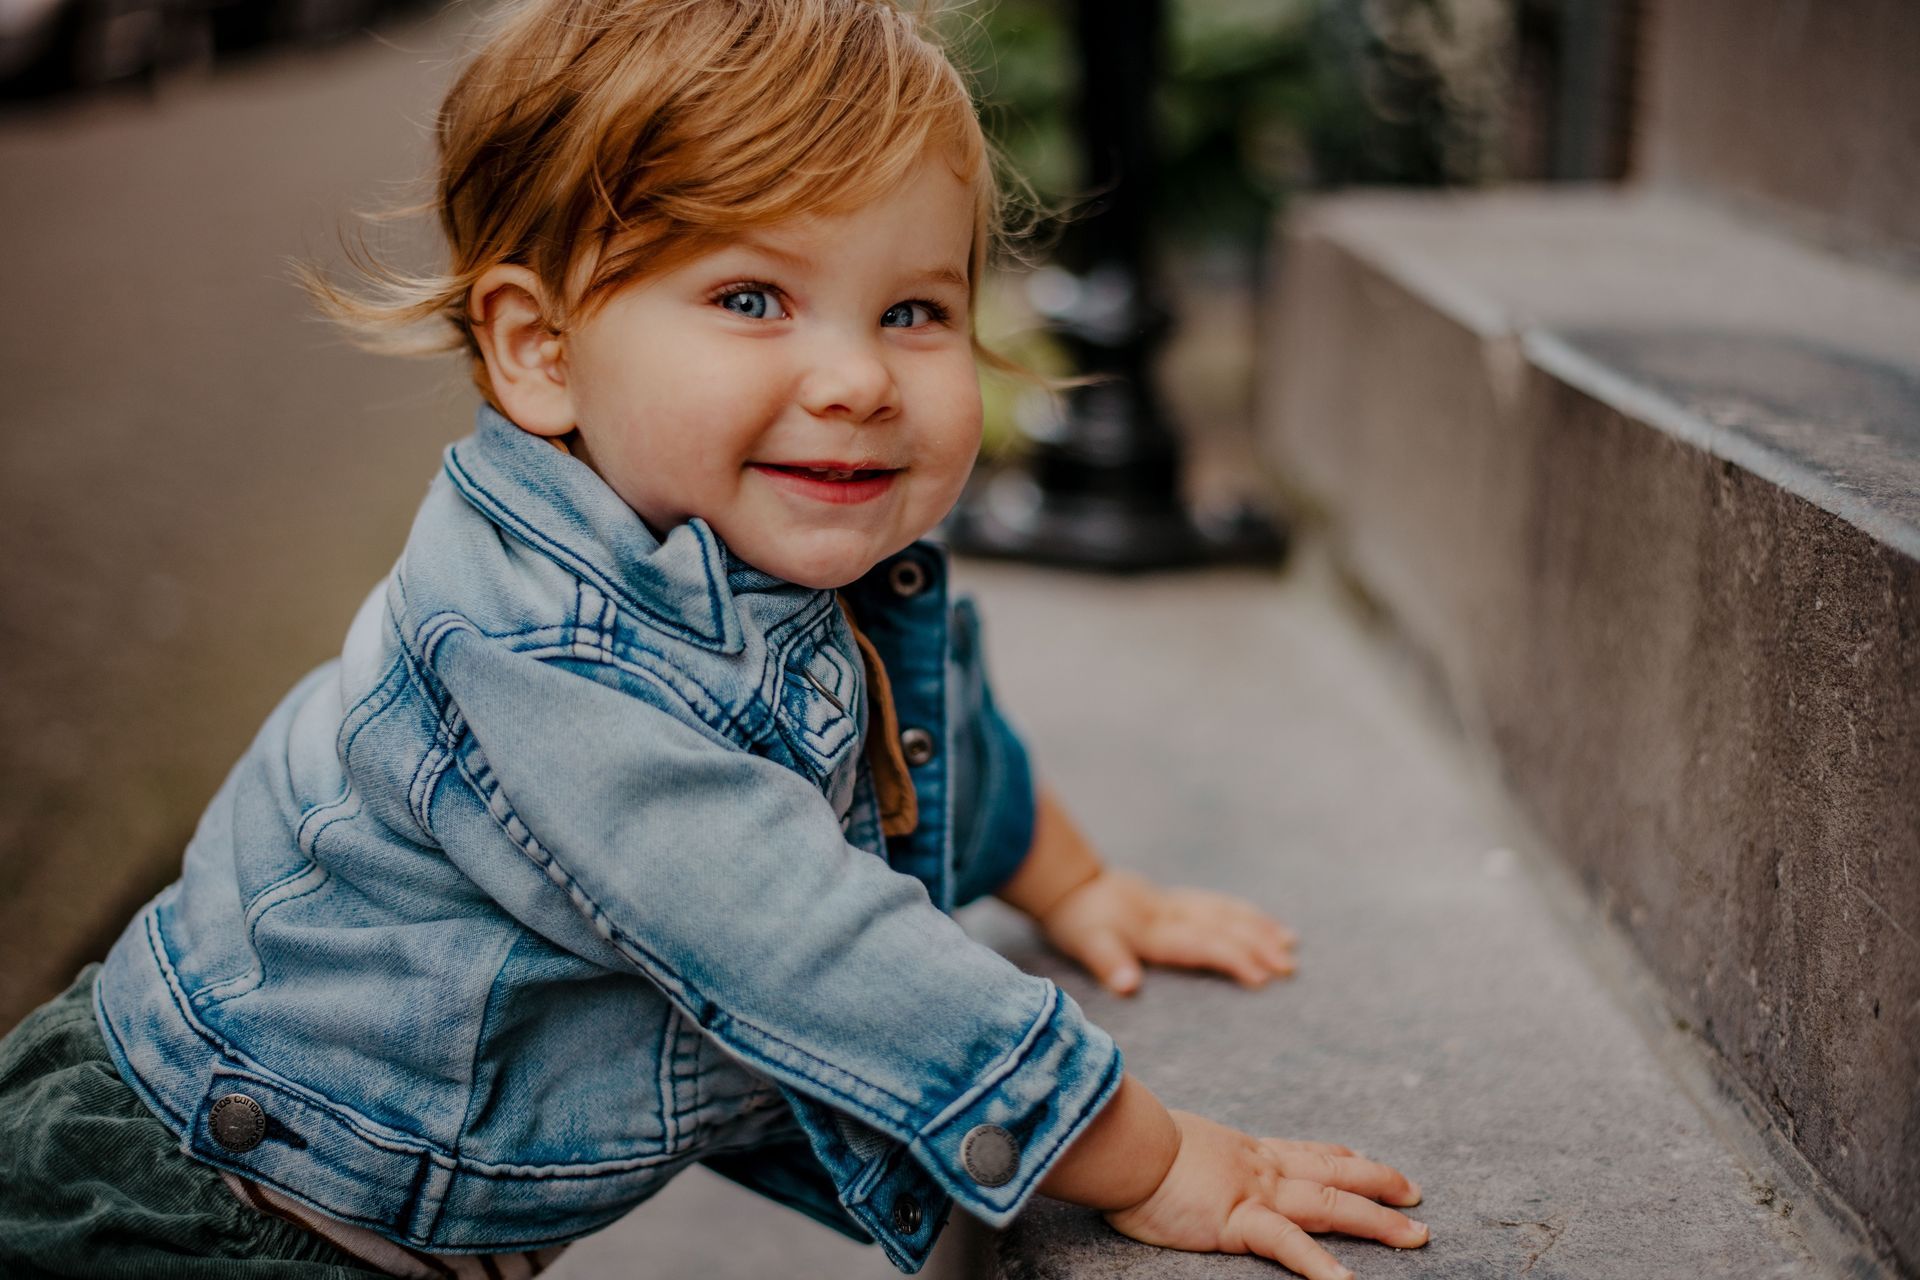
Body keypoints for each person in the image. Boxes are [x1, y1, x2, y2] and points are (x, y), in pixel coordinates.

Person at [0, 2, 1432, 1277]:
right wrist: (1149, 1151)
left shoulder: (772, 548)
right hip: (205, 1204)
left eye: (914, 309)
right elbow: (800, 937)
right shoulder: (537, 657)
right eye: (754, 298)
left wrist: (1076, 882)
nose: (860, 376)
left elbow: (918, 738)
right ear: (539, 350)